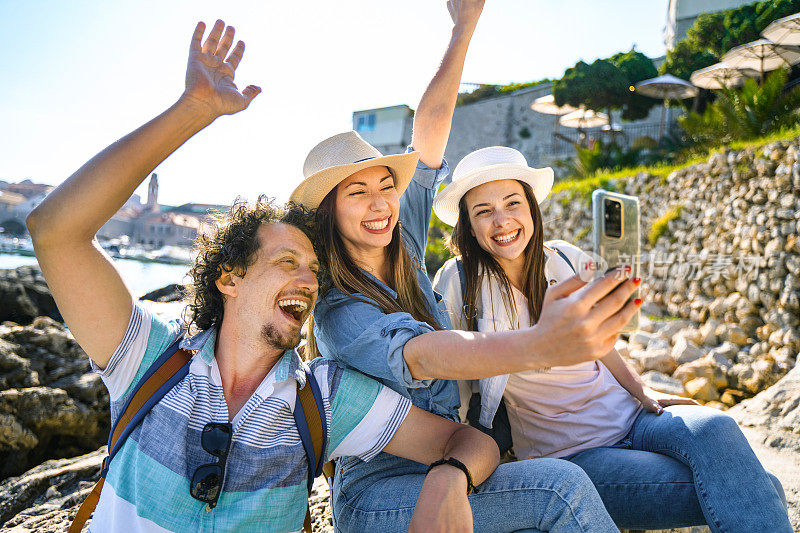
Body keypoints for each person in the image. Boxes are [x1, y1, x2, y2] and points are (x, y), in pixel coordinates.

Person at [26, 20, 502, 533]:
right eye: (285, 263)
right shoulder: (148, 362)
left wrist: (450, 477)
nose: (308, 280)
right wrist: (194, 110)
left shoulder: (323, 400)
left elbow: (465, 440)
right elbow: (55, 230)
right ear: (227, 278)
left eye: (313, 269)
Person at [291, 2, 640, 531]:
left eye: (387, 186)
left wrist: (463, 28)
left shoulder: (400, 238)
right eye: (357, 193)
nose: (380, 202)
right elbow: (426, 355)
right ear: (327, 214)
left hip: (453, 455)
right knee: (561, 488)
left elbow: (428, 133)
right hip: (379, 491)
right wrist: (539, 345)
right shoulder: (339, 310)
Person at [430, 145, 793, 533]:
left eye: (512, 203)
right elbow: (442, 366)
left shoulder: (565, 257)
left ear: (532, 208)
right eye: (483, 211)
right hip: (575, 453)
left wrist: (642, 390)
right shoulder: (458, 282)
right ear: (467, 225)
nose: (501, 221)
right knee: (756, 486)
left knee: (717, 428)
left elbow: (600, 339)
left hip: (633, 417)